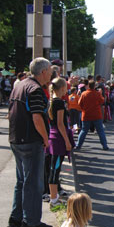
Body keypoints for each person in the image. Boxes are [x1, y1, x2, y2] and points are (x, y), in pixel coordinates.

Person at [8, 57, 53, 227]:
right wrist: (45, 138)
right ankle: (31, 222)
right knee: (33, 183)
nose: (51, 73)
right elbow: (37, 117)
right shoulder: (35, 89)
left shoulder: (20, 85)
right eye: (50, 70)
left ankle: (16, 218)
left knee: (22, 181)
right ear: (43, 72)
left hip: (16, 139)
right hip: (30, 140)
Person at [47, 77, 74, 207]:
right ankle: (53, 199)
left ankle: (54, 196)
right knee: (55, 168)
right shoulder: (60, 103)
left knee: (52, 168)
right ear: (62, 88)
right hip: (58, 138)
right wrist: (67, 141)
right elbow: (61, 124)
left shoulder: (50, 101)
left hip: (51, 136)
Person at [76, 80, 109, 150]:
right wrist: (101, 94)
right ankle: (104, 146)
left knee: (84, 130)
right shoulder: (97, 94)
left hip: (86, 115)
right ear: (94, 86)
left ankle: (78, 145)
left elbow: (79, 103)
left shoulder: (84, 93)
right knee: (100, 131)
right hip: (96, 115)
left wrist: (83, 109)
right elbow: (102, 101)